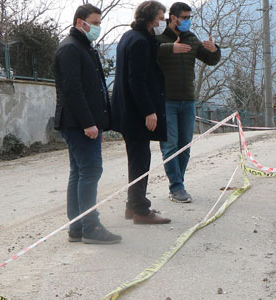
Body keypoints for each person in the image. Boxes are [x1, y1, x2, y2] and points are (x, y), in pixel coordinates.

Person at [53, 3, 122, 244]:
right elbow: (73, 90)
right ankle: (90, 227)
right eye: (95, 22)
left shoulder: (83, 47)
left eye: (99, 23)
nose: (98, 27)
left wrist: (98, 123)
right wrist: (88, 123)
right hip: (78, 124)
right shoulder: (70, 49)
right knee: (90, 171)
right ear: (80, 22)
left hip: (83, 123)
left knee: (80, 172)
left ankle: (78, 226)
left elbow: (93, 89)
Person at [111, 0, 171, 224]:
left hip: (127, 111)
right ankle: (140, 210)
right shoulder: (139, 41)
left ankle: (132, 205)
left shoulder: (129, 36)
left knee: (137, 158)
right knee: (140, 160)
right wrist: (149, 111)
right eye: (161, 19)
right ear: (151, 19)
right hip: (136, 113)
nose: (162, 23)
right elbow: (136, 80)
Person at [157, 2, 220, 203]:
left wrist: (214, 50)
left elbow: (210, 60)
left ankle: (179, 184)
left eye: (188, 17)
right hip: (166, 101)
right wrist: (170, 49)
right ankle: (176, 187)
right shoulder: (158, 37)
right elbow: (151, 53)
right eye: (184, 17)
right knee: (170, 145)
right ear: (172, 17)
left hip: (188, 101)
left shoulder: (191, 39)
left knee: (185, 145)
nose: (187, 21)